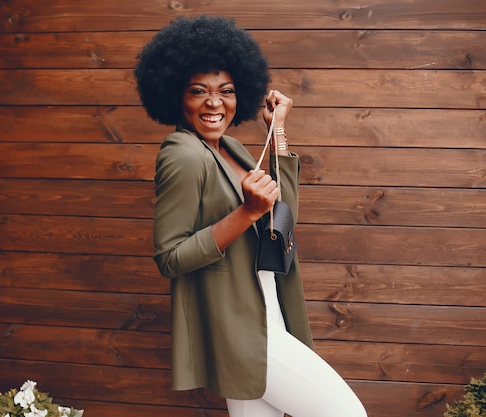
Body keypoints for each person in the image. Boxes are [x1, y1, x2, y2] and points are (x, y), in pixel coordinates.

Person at [134, 15, 368, 417]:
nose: (214, 103)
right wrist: (246, 213)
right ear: (175, 96)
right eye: (198, 91)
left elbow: (281, 212)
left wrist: (276, 130)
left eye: (226, 91)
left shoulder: (230, 147)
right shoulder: (183, 154)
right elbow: (170, 258)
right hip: (240, 327)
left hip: (267, 309)